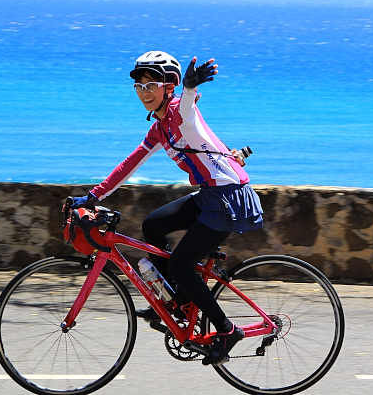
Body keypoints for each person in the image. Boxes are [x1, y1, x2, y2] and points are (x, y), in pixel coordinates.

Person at [69, 51, 263, 366]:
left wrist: (189, 87)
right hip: (209, 194)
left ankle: (227, 330)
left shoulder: (180, 112)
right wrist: (93, 197)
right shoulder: (159, 129)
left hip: (228, 198)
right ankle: (178, 300)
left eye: (151, 84)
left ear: (169, 87)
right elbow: (128, 165)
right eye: (139, 86)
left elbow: (187, 106)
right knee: (153, 226)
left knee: (180, 266)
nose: (144, 92)